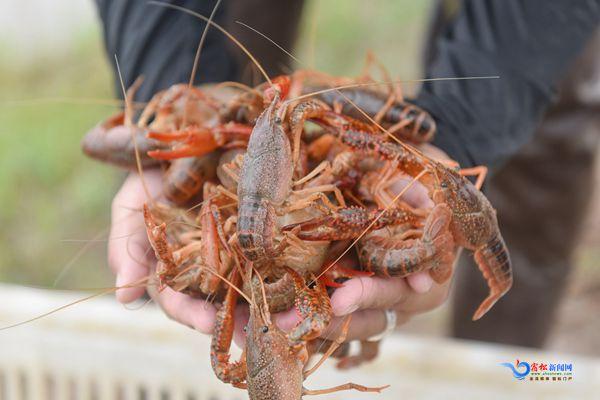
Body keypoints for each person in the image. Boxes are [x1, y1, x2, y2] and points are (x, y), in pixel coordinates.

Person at [96, 0, 600, 347]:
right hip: (284, 228)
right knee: (233, 54)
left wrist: (457, 130)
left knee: (544, 121)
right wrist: (179, 87)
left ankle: (509, 369)